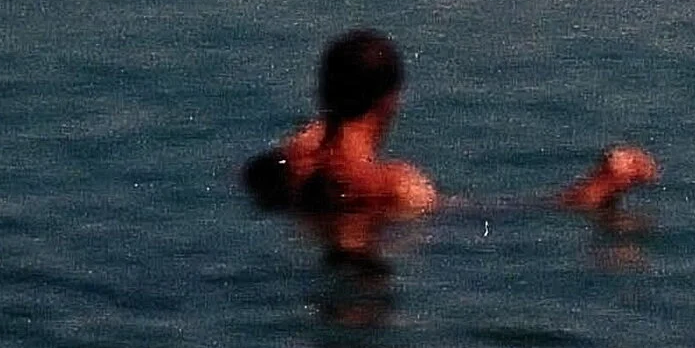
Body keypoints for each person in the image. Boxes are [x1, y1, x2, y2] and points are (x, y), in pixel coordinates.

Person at [242, 29, 658, 219]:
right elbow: (507, 214)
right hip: (363, 289)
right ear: (391, 101)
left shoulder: (279, 166)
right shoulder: (395, 184)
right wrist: (602, 184)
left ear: (322, 94)